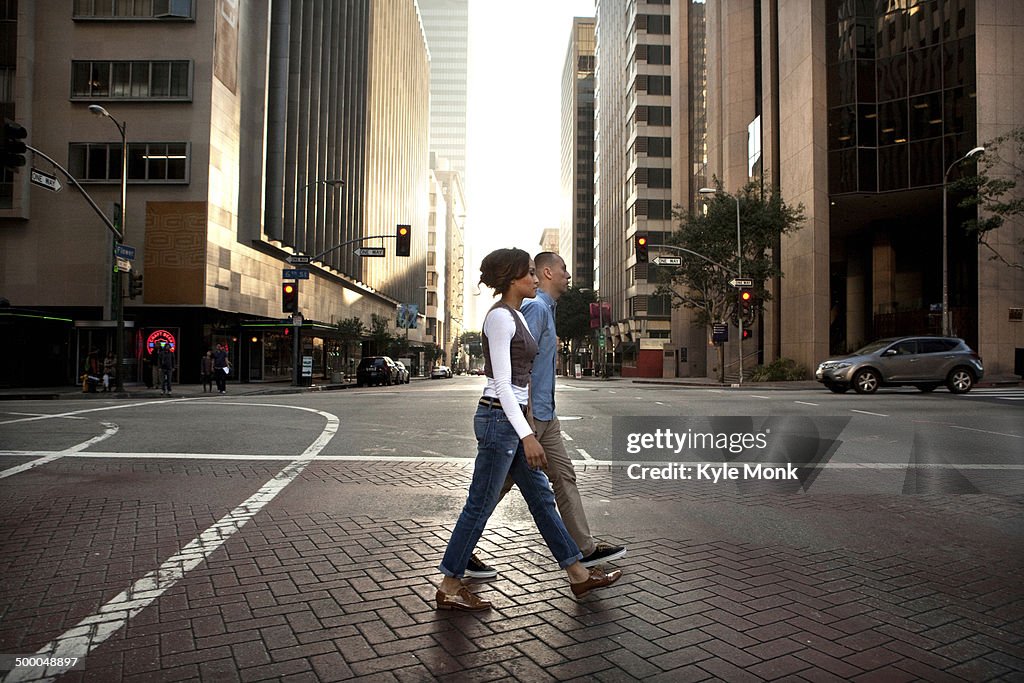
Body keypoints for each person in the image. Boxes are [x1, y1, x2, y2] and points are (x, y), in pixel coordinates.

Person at [435, 248, 621, 612]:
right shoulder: (502, 318)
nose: (536, 279)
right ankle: (449, 584)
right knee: (479, 505)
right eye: (529, 274)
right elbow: (503, 385)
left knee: (541, 499)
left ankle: (578, 576)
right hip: (500, 421)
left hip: (510, 420)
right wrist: (528, 434)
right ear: (512, 278)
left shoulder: (517, 315)